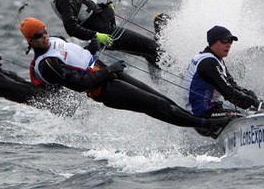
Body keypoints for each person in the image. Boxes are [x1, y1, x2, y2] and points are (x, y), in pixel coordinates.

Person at [20, 17, 231, 132]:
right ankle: (207, 126)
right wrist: (110, 70)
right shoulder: (47, 64)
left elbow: (78, 59)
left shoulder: (54, 42)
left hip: (107, 74)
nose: (45, 37)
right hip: (104, 89)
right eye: (38, 36)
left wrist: (91, 47)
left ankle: (198, 122)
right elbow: (79, 84)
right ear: (30, 41)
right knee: (155, 106)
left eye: (45, 31)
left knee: (162, 99)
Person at [43, 0, 160, 68]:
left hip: (107, 30)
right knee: (153, 48)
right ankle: (175, 69)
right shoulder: (66, 0)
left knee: (148, 52)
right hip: (107, 35)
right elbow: (71, 29)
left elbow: (87, 10)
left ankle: (159, 84)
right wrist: (97, 36)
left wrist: (105, 8)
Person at [184, 25, 264, 136]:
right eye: (225, 40)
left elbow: (232, 85)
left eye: (231, 41)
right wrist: (255, 104)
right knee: (239, 117)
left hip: (212, 111)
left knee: (250, 101)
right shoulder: (208, 63)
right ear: (213, 42)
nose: (229, 44)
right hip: (202, 117)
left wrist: (250, 97)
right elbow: (229, 93)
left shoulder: (215, 59)